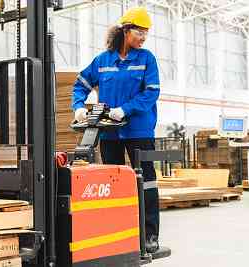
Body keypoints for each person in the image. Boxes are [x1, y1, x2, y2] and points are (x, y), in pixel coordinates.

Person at [70, 6, 162, 253]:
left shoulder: (146, 59)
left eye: (146, 33)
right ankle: (116, 235)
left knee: (147, 182)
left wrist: (126, 109)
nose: (143, 37)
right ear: (125, 30)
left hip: (140, 131)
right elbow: (80, 85)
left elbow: (152, 92)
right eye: (139, 32)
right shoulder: (102, 61)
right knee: (111, 182)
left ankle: (150, 235)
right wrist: (79, 107)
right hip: (109, 132)